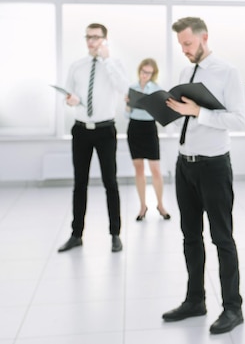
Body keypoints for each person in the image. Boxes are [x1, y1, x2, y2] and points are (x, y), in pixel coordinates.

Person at [161, 17, 245, 335]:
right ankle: (195, 300)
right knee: (190, 236)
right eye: (180, 44)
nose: (184, 50)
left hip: (213, 166)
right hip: (186, 165)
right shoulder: (186, 72)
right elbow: (185, 114)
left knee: (222, 238)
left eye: (187, 43)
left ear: (203, 38)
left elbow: (239, 119)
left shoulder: (228, 72)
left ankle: (233, 308)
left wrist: (198, 112)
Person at [58, 23, 129, 253]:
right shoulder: (77, 66)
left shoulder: (114, 65)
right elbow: (68, 93)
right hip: (81, 130)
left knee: (111, 182)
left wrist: (107, 60)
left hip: (105, 130)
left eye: (96, 37)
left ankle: (115, 234)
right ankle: (76, 234)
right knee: (80, 184)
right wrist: (69, 100)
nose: (91, 41)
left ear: (105, 40)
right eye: (88, 37)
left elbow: (124, 89)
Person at [126, 58, 171, 221]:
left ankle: (160, 204)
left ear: (153, 74)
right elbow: (127, 115)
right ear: (139, 71)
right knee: (138, 168)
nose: (145, 75)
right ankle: (142, 206)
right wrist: (127, 105)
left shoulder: (156, 89)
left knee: (155, 169)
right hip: (134, 128)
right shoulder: (132, 88)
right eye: (143, 72)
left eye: (149, 73)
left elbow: (161, 114)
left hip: (149, 128)